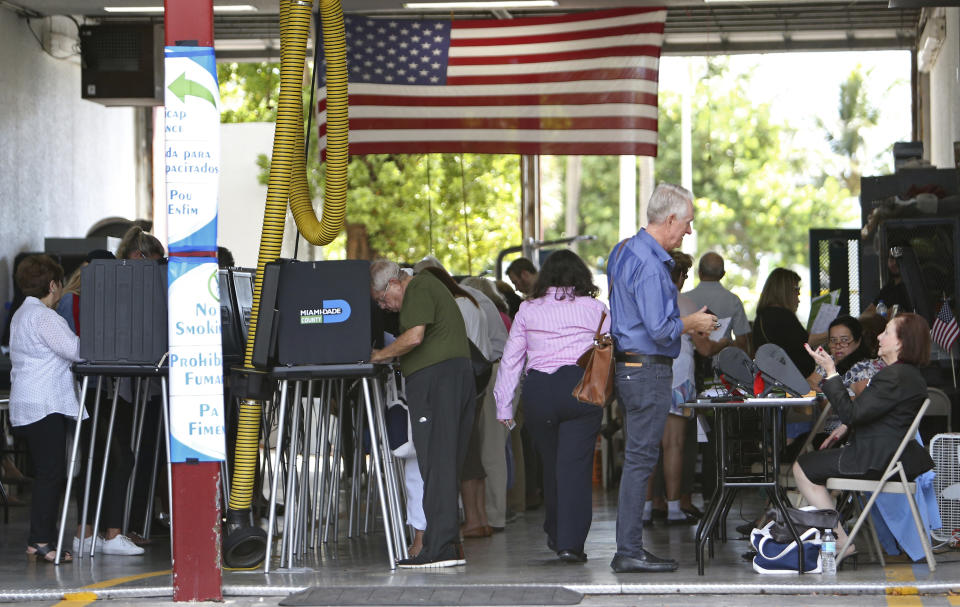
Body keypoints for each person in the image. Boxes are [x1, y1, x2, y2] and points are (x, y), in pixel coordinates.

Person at [606, 183, 717, 573]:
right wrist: (694, 322)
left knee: (638, 459)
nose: (688, 231)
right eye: (686, 222)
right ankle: (629, 550)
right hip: (648, 368)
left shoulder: (622, 250)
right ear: (669, 219)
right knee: (640, 460)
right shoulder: (653, 265)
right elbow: (660, 328)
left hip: (628, 367)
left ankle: (629, 546)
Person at [494, 249, 609, 563]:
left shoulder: (528, 310)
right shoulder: (597, 308)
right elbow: (609, 351)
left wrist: (504, 407)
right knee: (574, 468)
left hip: (539, 393)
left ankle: (556, 530)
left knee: (552, 465)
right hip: (580, 390)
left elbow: (511, 360)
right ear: (581, 276)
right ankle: (568, 543)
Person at [796, 313, 935, 556]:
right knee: (816, 464)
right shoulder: (907, 375)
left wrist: (830, 371)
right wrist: (846, 428)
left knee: (802, 468)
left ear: (901, 342)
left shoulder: (893, 375)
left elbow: (851, 413)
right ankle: (829, 536)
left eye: (887, 332)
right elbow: (877, 414)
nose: (879, 336)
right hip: (888, 456)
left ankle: (840, 540)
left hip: (873, 459)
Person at [369, 259, 475, 568]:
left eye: (382, 300)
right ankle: (449, 545)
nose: (385, 308)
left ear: (392, 284)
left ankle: (439, 547)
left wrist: (379, 355)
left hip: (436, 382)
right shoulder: (429, 287)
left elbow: (415, 336)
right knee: (445, 463)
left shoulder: (418, 287)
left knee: (436, 463)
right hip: (451, 378)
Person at [9, 255, 78, 563]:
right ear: (53, 285)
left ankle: (38, 538)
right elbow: (75, 350)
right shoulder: (45, 317)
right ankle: (41, 541)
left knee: (44, 473)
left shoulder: (21, 314)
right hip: (45, 404)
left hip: (26, 403)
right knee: (51, 474)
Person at [418, 266, 493, 539]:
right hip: (480, 379)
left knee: (465, 454)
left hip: (464, 381)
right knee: (473, 451)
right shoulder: (471, 302)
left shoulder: (455, 305)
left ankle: (473, 519)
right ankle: (480, 518)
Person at [646, 251, 716, 527]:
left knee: (649, 447)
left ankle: (646, 507)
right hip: (680, 376)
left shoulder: (646, 301)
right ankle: (675, 508)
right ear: (676, 275)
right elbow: (705, 347)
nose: (685, 279)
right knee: (674, 445)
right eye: (683, 274)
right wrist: (723, 344)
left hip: (650, 373)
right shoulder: (686, 304)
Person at [810, 316, 885, 449]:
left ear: (858, 340)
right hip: (826, 429)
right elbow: (809, 382)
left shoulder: (863, 367)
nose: (838, 346)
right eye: (833, 341)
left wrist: (825, 398)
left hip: (850, 435)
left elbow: (862, 406)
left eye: (844, 341)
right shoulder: (829, 361)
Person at [753, 268, 827, 389]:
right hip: (795, 382)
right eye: (797, 290)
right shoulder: (781, 315)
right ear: (785, 290)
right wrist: (834, 333)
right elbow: (806, 342)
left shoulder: (763, 315)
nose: (798, 296)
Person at [684, 252, 751, 352]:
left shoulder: (684, 299)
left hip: (691, 359)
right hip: (723, 362)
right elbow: (742, 342)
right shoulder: (733, 300)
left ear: (699, 272)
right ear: (723, 274)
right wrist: (727, 342)